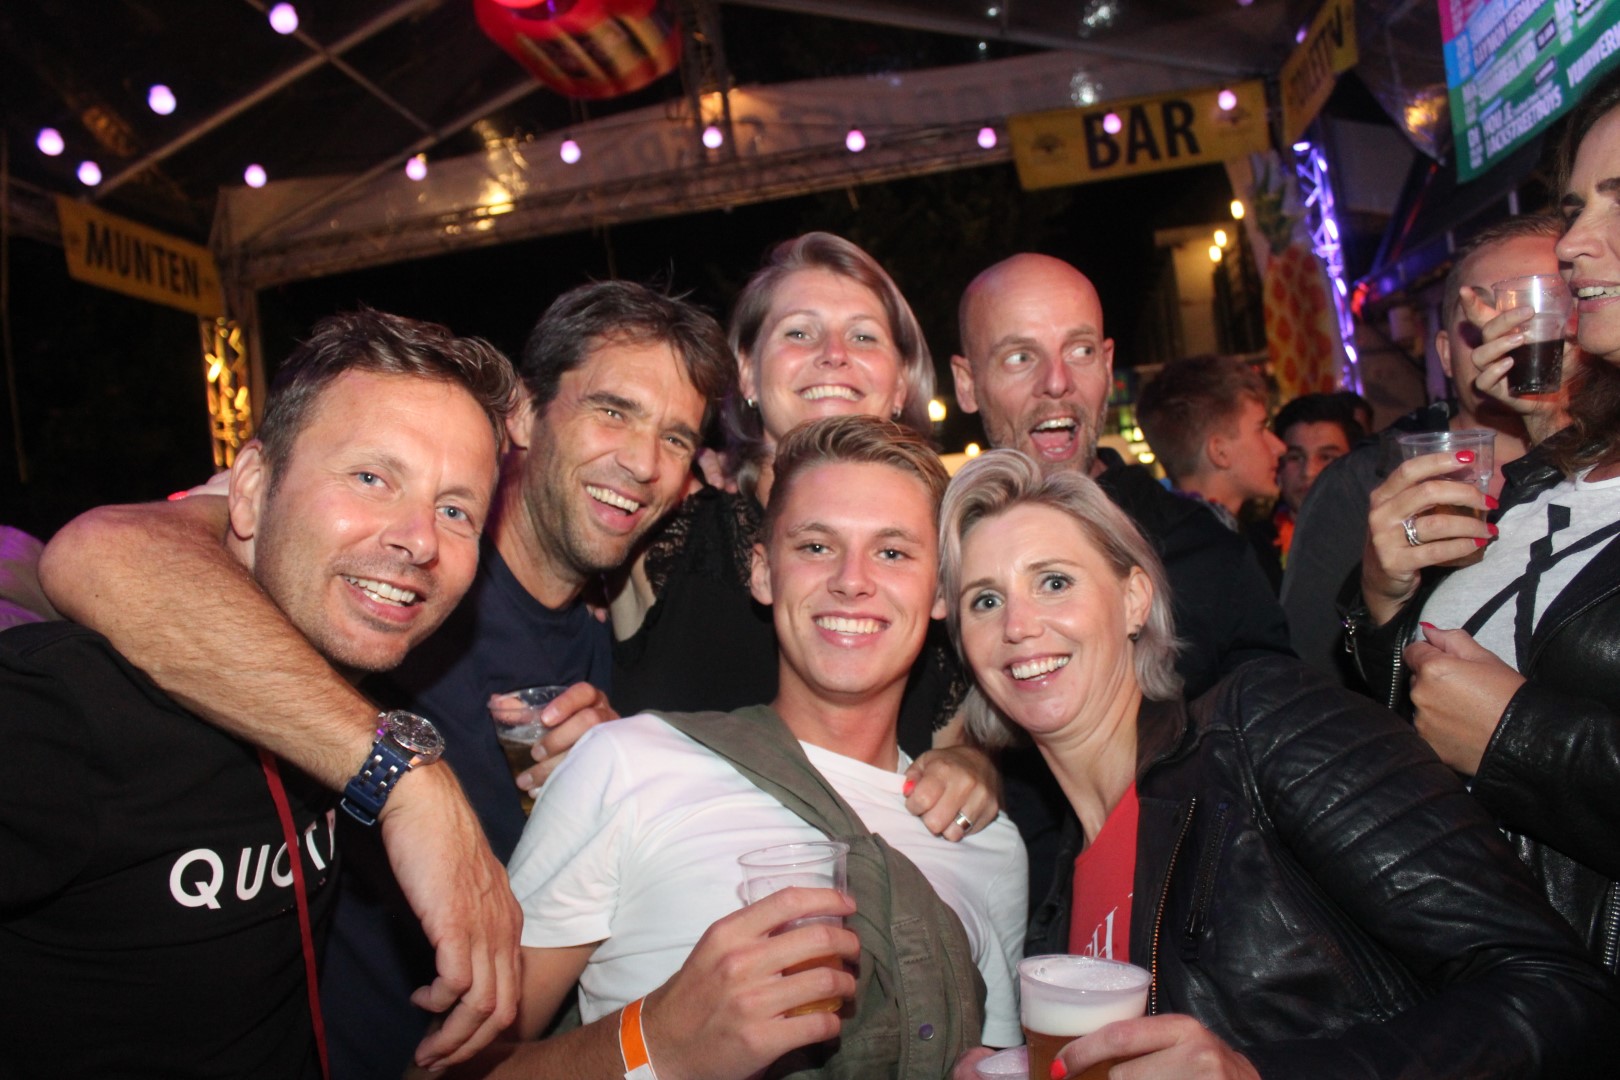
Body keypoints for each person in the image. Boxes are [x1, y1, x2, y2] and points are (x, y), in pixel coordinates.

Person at [37, 281, 735, 1077]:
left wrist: (605, 784)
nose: (642, 462)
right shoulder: (369, 588)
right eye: (613, 410)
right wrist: (405, 780)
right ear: (525, 414)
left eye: (676, 438)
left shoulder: (605, 647)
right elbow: (107, 551)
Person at [941, 449, 1620, 1080]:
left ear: (1133, 599)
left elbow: (1560, 993)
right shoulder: (1057, 901)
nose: (1018, 626)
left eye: (1054, 582)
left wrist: (1260, 1074)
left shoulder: (1256, 727)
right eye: (985, 600)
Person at [0, 309, 517, 1077]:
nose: (419, 539)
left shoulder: (350, 682)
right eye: (371, 478)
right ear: (249, 490)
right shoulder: (71, 704)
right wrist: (403, 781)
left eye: (454, 510)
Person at [454, 416, 1028, 1080]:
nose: (851, 580)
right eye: (816, 546)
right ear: (762, 573)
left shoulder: (985, 843)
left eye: (893, 553)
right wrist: (656, 1040)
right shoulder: (630, 764)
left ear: (941, 593)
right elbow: (453, 1069)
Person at [1347, 70, 1620, 973]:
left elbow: (1499, 713)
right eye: (1576, 207)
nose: (1575, 243)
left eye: (1619, 201)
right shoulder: (1551, 474)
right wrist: (1383, 598)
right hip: (1472, 971)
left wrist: (1515, 736)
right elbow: (1420, 700)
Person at [610, 232, 999, 840]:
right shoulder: (658, 529)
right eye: (799, 332)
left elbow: (977, 743)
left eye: (863, 336)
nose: (834, 355)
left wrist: (977, 767)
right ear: (746, 371)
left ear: (901, 383)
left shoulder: (942, 563)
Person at [950, 253, 1291, 904]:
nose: (1057, 383)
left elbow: (1286, 756)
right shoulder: (936, 566)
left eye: (1079, 351)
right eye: (1020, 357)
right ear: (967, 384)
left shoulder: (1200, 552)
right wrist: (968, 755)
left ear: (1107, 365)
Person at [1281, 216, 1563, 685]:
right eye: (1482, 316)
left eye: (1536, 309)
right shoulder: (1364, 483)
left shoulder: (1603, 476)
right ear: (1446, 354)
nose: (1508, 335)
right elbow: (1307, 673)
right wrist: (1375, 601)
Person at [1135, 354, 1287, 532]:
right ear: (1219, 452)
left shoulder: (1161, 535)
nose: (1280, 447)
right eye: (1260, 430)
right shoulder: (1216, 544)